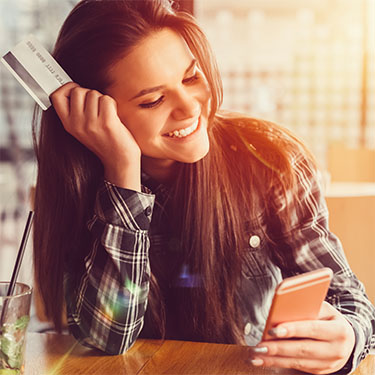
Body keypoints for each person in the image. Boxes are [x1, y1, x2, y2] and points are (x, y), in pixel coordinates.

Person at [32, 0, 375, 373]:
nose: (189, 107)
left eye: (191, 77)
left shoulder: (270, 160)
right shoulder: (82, 184)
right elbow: (107, 337)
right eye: (153, 100)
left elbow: (350, 302)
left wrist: (349, 336)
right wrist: (123, 171)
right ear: (95, 115)